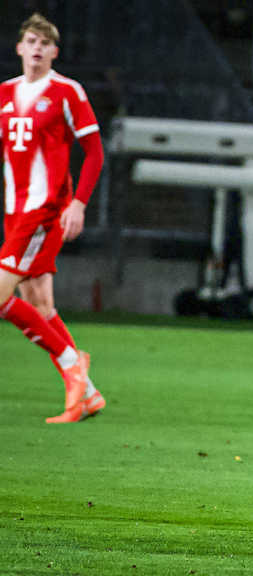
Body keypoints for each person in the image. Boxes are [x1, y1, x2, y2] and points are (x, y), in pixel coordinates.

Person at [0, 13, 105, 423]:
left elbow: (94, 152)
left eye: (45, 43)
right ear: (20, 47)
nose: (37, 48)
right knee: (38, 302)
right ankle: (89, 394)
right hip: (14, 211)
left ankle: (71, 364)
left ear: (54, 52)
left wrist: (78, 203)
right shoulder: (5, 94)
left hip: (44, 210)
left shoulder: (67, 91)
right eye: (31, 40)